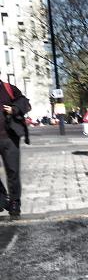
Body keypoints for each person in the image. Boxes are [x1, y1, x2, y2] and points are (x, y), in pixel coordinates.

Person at [0, 73, 31, 218]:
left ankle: (14, 202)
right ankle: (1, 197)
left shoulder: (8, 88)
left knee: (12, 171)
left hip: (9, 138)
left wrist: (14, 109)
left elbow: (24, 102)